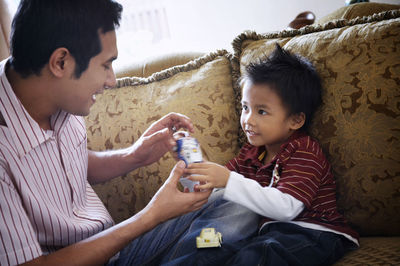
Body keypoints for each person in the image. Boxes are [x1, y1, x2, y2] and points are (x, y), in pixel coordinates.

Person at [0, 0, 213, 265]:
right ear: (61, 62)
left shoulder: (56, 93)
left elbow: (71, 163)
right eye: (105, 65)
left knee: (227, 201)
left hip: (118, 251)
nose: (111, 80)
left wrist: (135, 156)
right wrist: (151, 216)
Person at [165, 44, 360, 265]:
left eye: (261, 111)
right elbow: (218, 192)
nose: (248, 120)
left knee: (258, 256)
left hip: (313, 232)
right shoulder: (251, 154)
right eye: (245, 107)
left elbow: (286, 208)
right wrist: (192, 161)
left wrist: (228, 180)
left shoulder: (305, 151)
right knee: (211, 245)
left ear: (296, 120)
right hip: (267, 233)